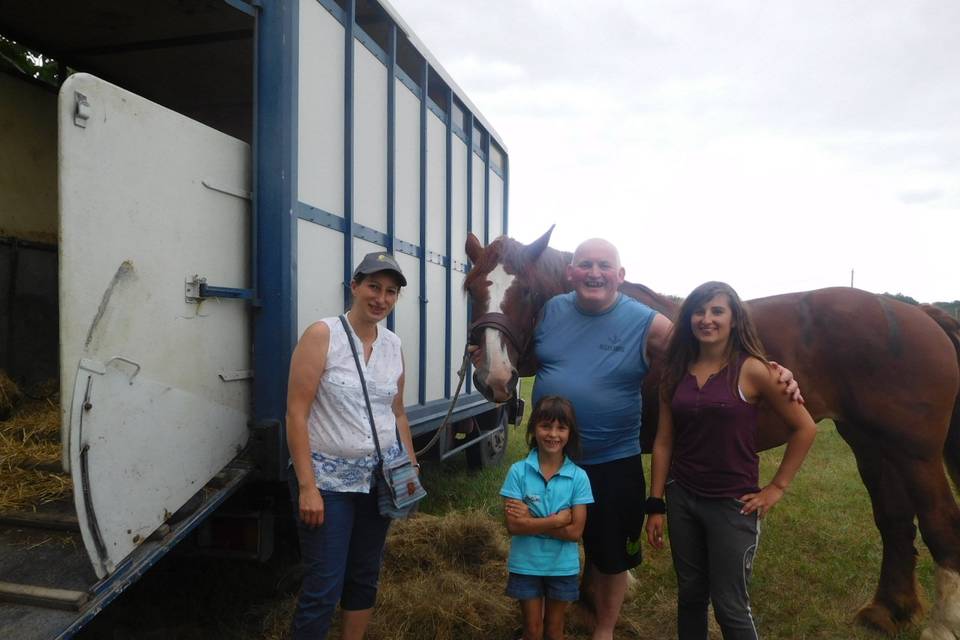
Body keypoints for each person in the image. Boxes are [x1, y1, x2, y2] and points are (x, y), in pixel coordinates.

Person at [524, 238, 800, 640]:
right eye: (585, 264)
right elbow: (518, 350)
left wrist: (772, 371)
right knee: (546, 546)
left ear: (621, 276)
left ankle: (604, 630)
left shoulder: (646, 321)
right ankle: (548, 627)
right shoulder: (549, 312)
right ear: (571, 272)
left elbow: (704, 352)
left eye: (605, 266)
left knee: (611, 555)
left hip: (612, 460)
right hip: (550, 460)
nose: (594, 273)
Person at [645, 281, 817, 640]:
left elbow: (804, 428)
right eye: (699, 311)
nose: (706, 319)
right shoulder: (674, 372)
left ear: (735, 319)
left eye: (717, 311)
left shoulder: (754, 370)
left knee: (730, 606)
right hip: (683, 498)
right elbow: (663, 441)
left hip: (732, 504)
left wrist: (777, 487)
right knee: (691, 595)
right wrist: (656, 503)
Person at [285, 251, 418, 640]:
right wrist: (308, 487)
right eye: (374, 287)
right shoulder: (322, 335)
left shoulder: (393, 345)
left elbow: (397, 414)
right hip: (327, 486)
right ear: (354, 286)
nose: (381, 298)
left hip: (379, 481)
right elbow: (296, 414)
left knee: (364, 575)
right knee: (324, 584)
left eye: (391, 291)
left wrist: (409, 466)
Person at [501, 396, 594, 640]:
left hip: (562, 568)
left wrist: (530, 521)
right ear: (533, 428)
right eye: (545, 426)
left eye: (561, 428)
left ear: (570, 433)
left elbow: (575, 532)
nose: (553, 434)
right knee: (532, 631)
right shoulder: (518, 472)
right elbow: (512, 526)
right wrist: (555, 521)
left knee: (555, 631)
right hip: (526, 565)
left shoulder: (579, 477)